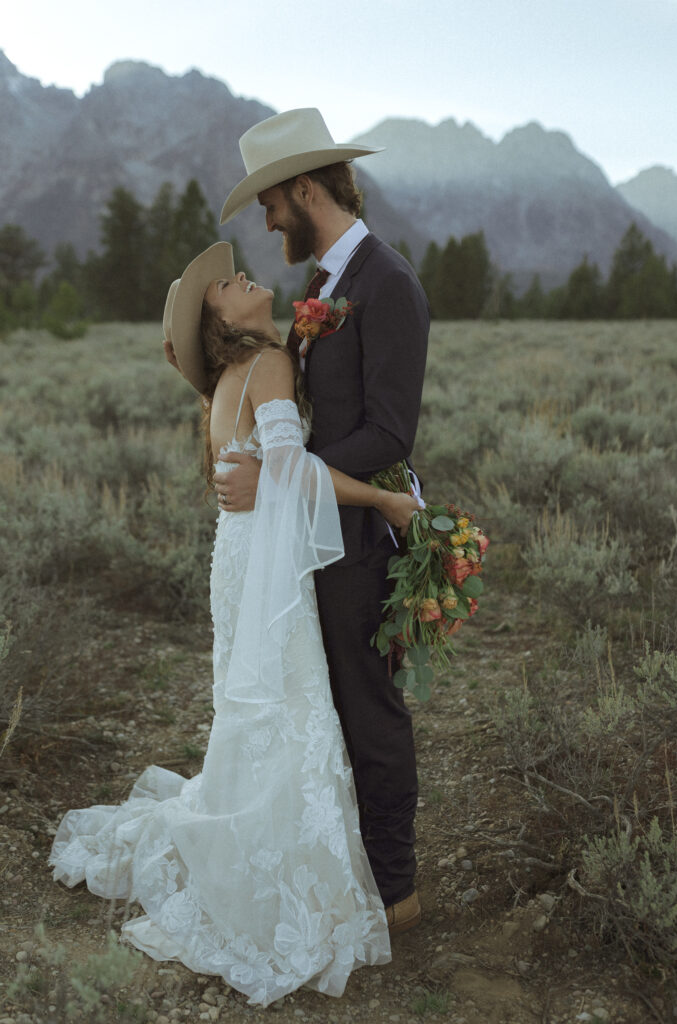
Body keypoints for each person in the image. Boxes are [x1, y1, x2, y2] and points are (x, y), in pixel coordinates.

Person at [50, 241, 420, 1006]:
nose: (241, 276)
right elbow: (285, 469)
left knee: (255, 704)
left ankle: (252, 837)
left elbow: (262, 462)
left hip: (237, 557)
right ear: (222, 318)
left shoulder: (226, 379)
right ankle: (275, 864)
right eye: (226, 283)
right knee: (286, 703)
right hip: (265, 564)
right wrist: (384, 502)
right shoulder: (270, 365)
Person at [211, 108, 430, 933]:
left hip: (360, 538)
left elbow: (388, 433)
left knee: (369, 708)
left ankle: (396, 894)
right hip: (315, 529)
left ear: (305, 189)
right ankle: (347, 870)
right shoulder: (321, 288)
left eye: (269, 203)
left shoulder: (387, 284)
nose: (266, 221)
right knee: (326, 699)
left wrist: (278, 476)